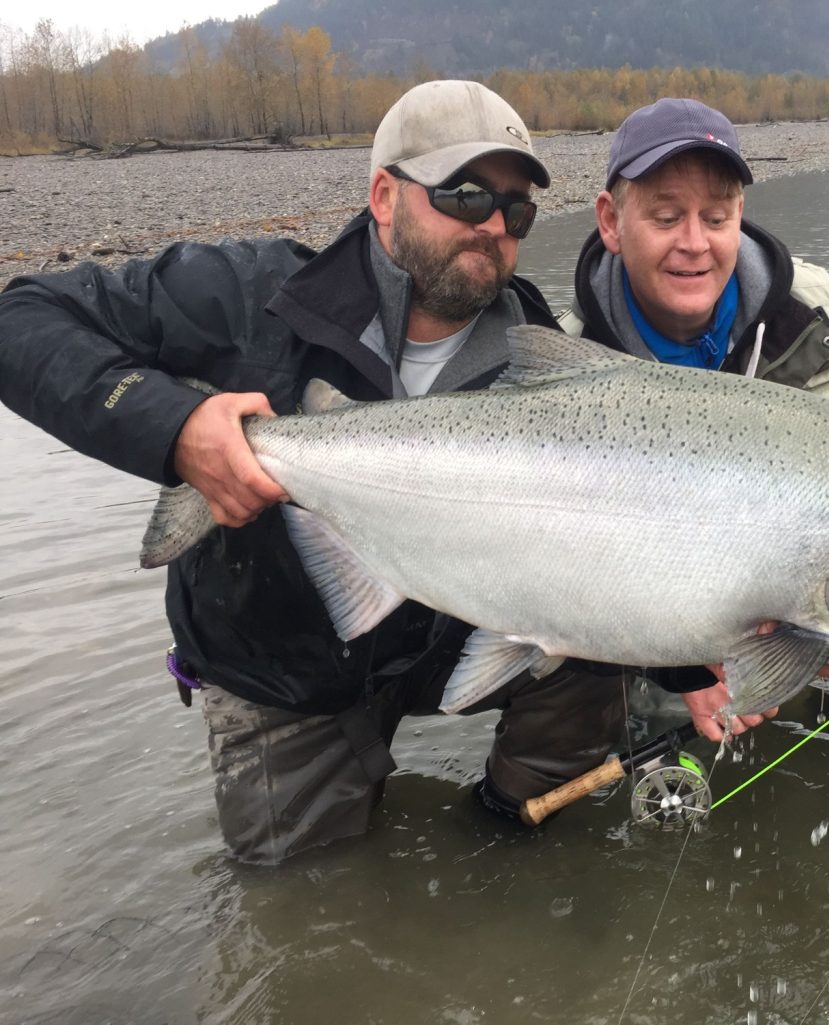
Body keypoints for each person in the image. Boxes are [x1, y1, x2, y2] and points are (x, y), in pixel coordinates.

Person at [0, 80, 626, 861]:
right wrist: (177, 430)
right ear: (384, 196)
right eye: (465, 195)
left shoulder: (541, 352)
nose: (494, 225)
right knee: (303, 902)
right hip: (285, 672)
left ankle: (503, 829)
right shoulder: (248, 295)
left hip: (450, 634)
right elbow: (19, 318)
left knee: (609, 645)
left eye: (516, 209)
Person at [559, 98, 829, 741]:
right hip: (673, 633)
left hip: (826, 601)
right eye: (666, 217)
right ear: (611, 221)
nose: (694, 243)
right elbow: (547, 560)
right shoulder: (573, 367)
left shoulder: (817, 306)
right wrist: (682, 667)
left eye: (715, 217)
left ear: (739, 216)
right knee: (632, 706)